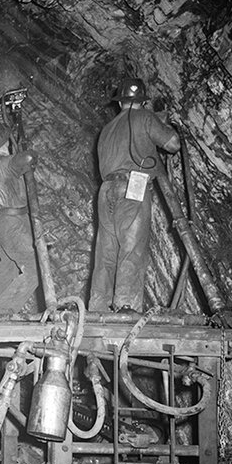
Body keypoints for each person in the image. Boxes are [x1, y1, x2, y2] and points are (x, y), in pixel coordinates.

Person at [88, 77, 180, 313]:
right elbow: (173, 144)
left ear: (120, 103)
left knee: (106, 250)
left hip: (106, 189)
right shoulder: (145, 117)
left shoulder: (106, 130)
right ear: (143, 101)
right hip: (133, 185)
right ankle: (126, 306)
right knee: (131, 247)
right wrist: (164, 126)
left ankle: (98, 308)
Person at [0, 89, 39, 315]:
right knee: (35, 267)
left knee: (8, 265)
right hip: (14, 223)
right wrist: (26, 146)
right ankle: (2, 309)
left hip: (2, 221)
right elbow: (29, 158)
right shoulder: (7, 163)